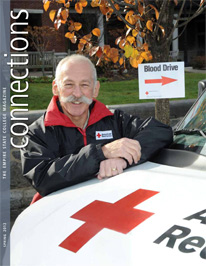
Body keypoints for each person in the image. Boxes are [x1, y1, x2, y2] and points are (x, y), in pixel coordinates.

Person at [21, 54, 173, 202]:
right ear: (55, 87)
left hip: (109, 205)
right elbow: (42, 178)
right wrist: (102, 153)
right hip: (59, 213)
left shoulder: (114, 119)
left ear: (95, 89)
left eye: (84, 85)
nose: (77, 93)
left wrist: (123, 158)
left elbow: (160, 131)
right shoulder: (36, 133)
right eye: (69, 84)